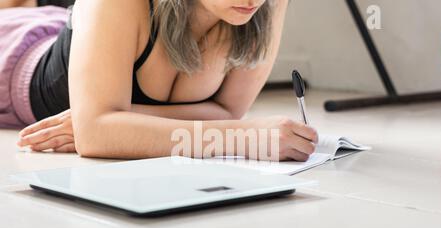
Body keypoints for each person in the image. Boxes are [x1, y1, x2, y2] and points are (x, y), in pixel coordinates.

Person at [1, 0, 318, 161]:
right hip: (14, 62)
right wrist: (246, 138)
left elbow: (227, 110)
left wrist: (119, 121)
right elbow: (95, 138)